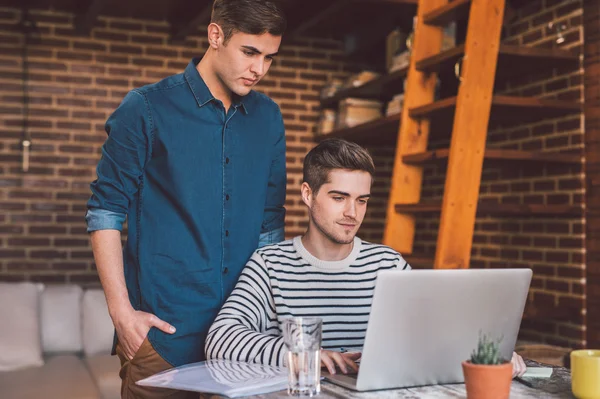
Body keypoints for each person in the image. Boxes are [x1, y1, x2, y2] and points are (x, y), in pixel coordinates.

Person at [85, 1, 287, 397]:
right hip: (163, 340)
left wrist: (272, 319)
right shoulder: (145, 108)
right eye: (250, 52)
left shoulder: (269, 118)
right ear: (216, 36)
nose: (259, 69)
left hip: (242, 343)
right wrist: (122, 315)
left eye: (269, 58)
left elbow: (269, 226)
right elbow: (105, 211)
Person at [205, 138, 527, 379]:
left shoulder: (387, 264)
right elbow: (221, 339)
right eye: (339, 197)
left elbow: (439, 328)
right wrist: (306, 355)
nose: (352, 213)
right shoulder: (269, 265)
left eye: (362, 200)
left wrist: (489, 351)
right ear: (307, 194)